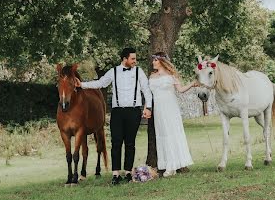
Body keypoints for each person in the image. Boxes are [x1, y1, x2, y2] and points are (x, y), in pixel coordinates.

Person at [74, 47, 152, 185]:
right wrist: (82, 85)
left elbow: (146, 89)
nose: (135, 61)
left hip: (134, 111)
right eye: (132, 58)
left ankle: (128, 172)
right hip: (117, 112)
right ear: (124, 59)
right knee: (116, 143)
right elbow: (100, 83)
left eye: (135, 58)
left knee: (130, 143)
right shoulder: (114, 71)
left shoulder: (139, 72)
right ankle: (115, 174)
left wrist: (148, 107)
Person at [149, 51, 197, 177]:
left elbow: (180, 90)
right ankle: (167, 164)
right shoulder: (152, 76)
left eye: (155, 60)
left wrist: (192, 84)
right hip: (158, 109)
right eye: (153, 60)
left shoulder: (171, 75)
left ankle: (172, 166)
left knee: (171, 133)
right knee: (162, 134)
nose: (153, 62)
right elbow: (149, 94)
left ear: (162, 61)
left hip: (170, 108)